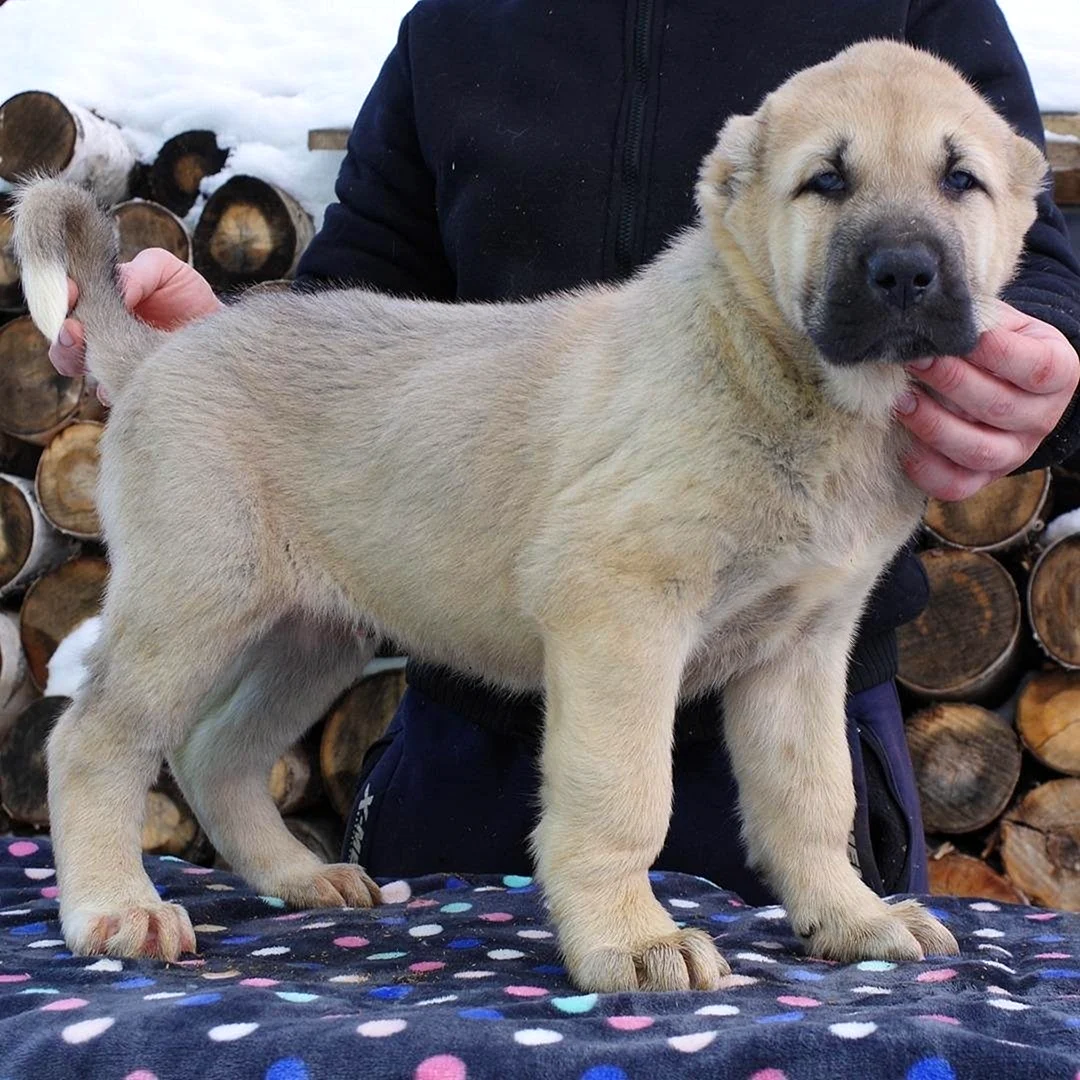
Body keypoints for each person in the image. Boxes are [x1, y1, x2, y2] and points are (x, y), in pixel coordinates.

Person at [50, 0, 1080, 905]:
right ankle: (108, 823)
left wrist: (1042, 360)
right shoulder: (456, 20)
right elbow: (354, 292)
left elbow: (1049, 290)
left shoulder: (922, 8)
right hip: (469, 746)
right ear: (731, 192)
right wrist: (226, 346)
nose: (902, 248)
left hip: (811, 756)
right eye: (829, 183)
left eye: (954, 183)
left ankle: (814, 878)